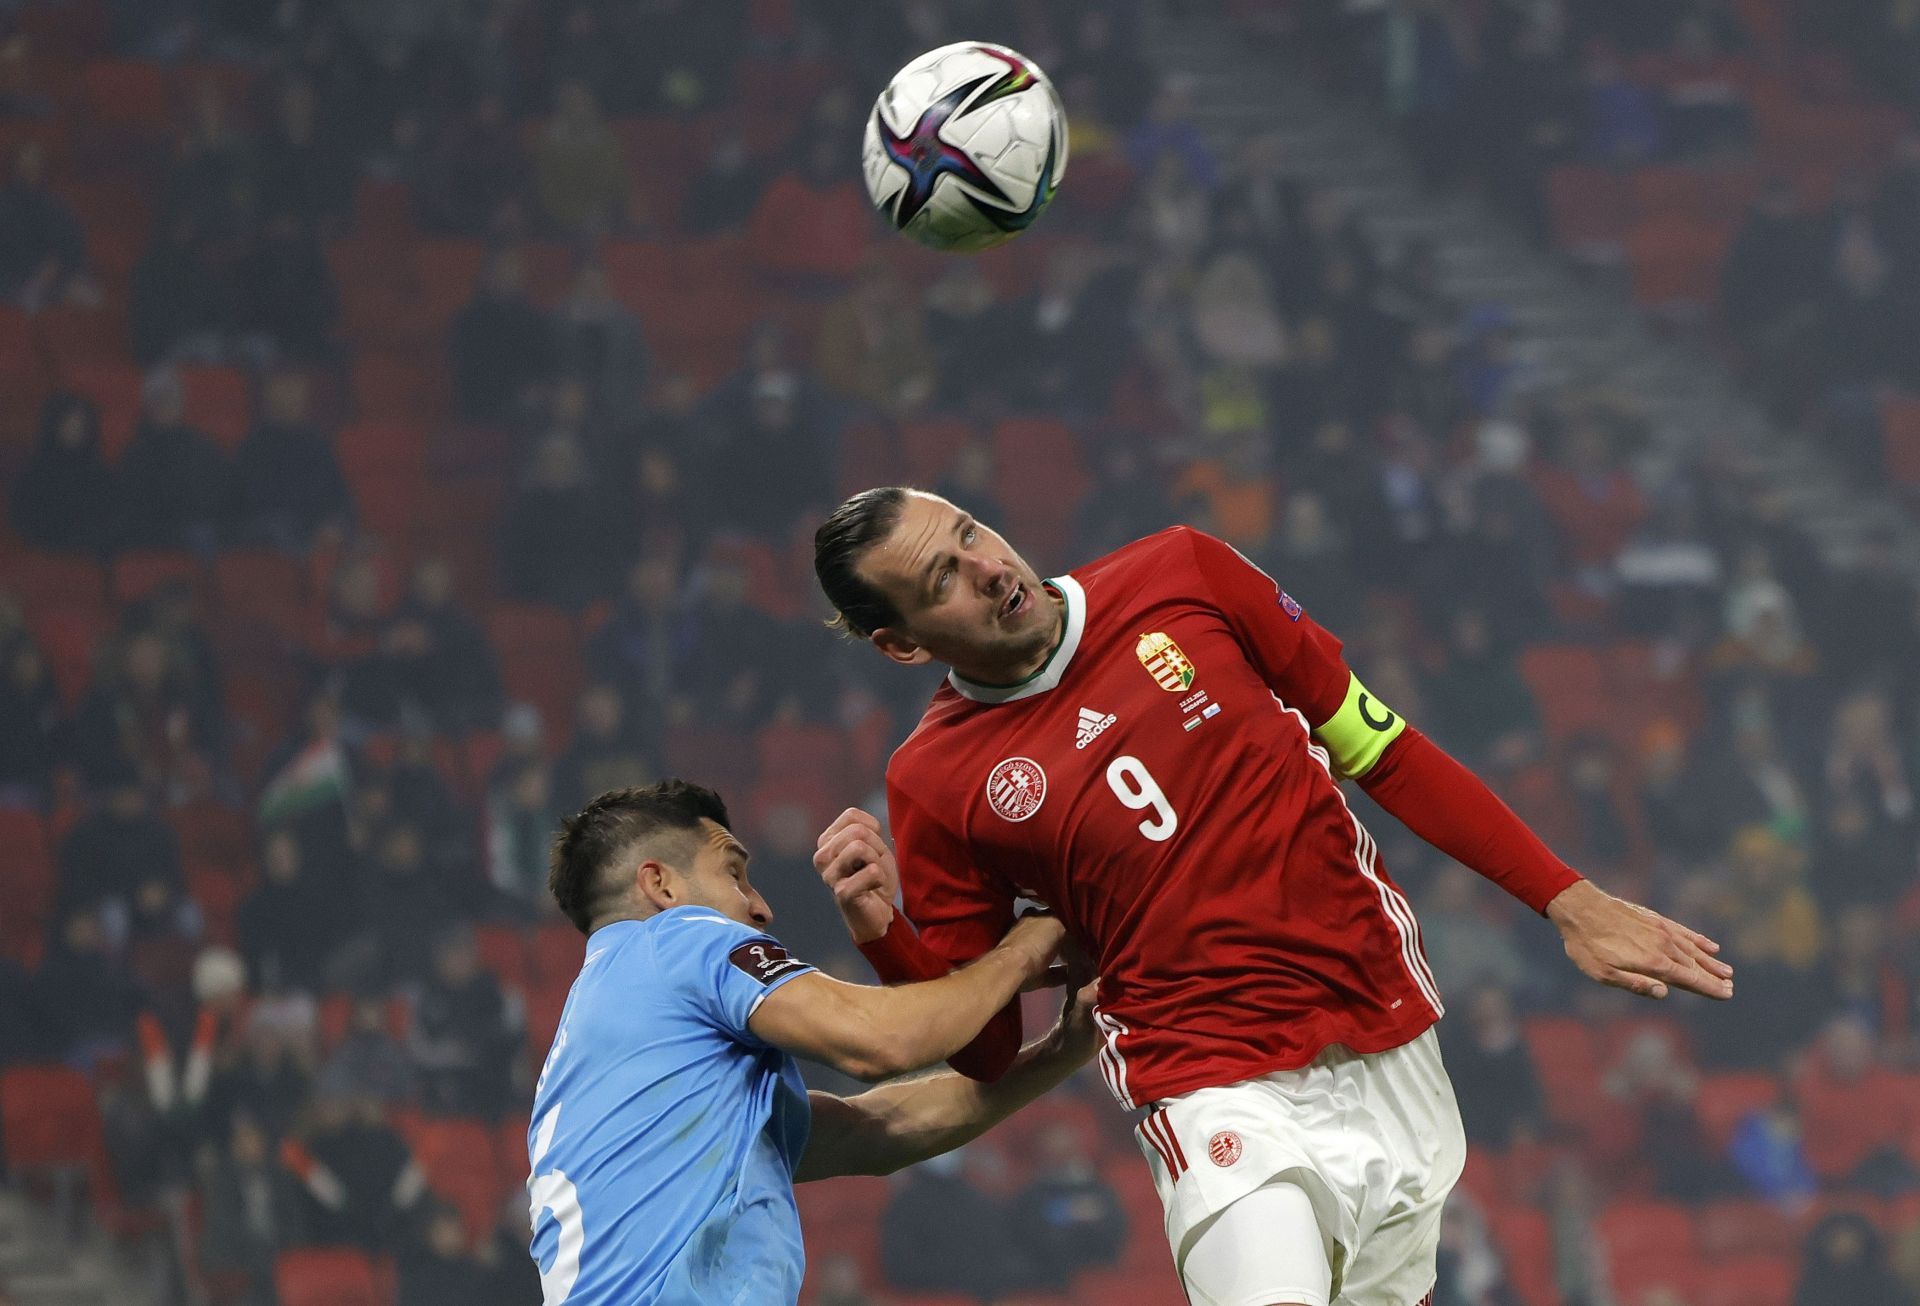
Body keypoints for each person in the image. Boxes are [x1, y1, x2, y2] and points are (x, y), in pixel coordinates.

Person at [809, 488, 1735, 1306]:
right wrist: (887, 935)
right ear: (899, 643)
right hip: (1207, 1075)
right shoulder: (935, 778)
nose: (986, 567)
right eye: (942, 580)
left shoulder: (1183, 570)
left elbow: (1383, 750)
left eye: (970, 532)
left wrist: (1566, 898)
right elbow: (988, 1045)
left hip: (1387, 1038)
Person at [528, 780, 1097, 1305]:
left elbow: (873, 1131)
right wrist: (1034, 936)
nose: (760, 906)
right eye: (734, 873)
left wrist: (1061, 1050)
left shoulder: (611, 1040)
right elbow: (881, 1044)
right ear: (661, 885)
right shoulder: (678, 938)